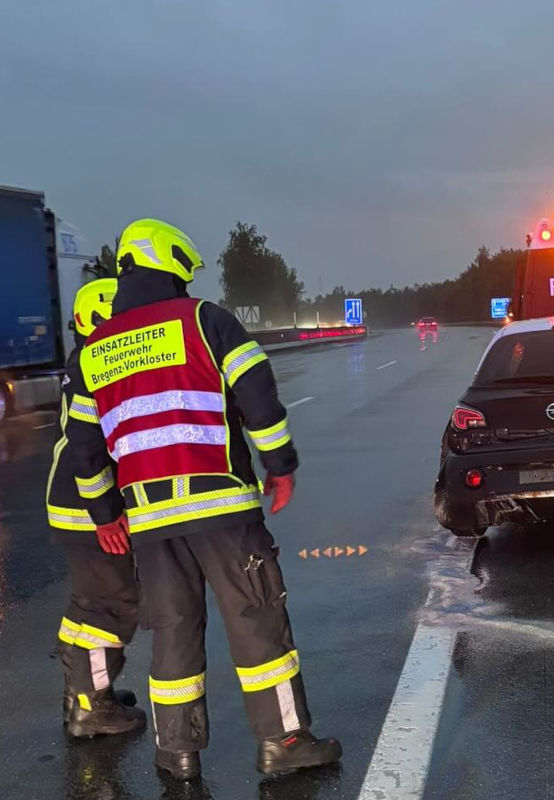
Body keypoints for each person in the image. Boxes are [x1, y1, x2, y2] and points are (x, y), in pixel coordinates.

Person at [63, 218, 341, 781]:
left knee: (173, 635)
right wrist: (280, 464)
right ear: (169, 263)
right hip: (221, 509)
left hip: (149, 523)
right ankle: (284, 741)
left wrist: (105, 514)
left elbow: (83, 448)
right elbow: (256, 394)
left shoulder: (94, 350)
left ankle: (177, 754)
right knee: (257, 621)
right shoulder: (204, 320)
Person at [49, 278, 146, 737]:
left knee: (87, 604)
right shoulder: (98, 364)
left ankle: (82, 692)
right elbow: (89, 450)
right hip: (89, 507)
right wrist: (105, 513)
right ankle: (93, 707)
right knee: (110, 606)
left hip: (73, 504)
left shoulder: (82, 361)